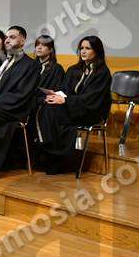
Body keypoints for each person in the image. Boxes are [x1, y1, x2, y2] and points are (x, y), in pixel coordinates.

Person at [36, 36, 111, 174]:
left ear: (97, 51)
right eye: (81, 48)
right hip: (71, 108)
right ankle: (51, 154)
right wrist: (56, 96)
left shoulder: (102, 73)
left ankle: (54, 156)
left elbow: (92, 99)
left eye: (88, 48)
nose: (83, 51)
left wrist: (66, 100)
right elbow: (64, 90)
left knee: (53, 113)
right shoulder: (74, 70)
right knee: (47, 107)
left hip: (90, 111)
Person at [0, 25, 39, 174]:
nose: (7, 40)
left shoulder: (30, 65)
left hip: (15, 108)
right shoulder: (3, 62)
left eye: (12, 37)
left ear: (22, 41)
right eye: (6, 38)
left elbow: (21, 94)